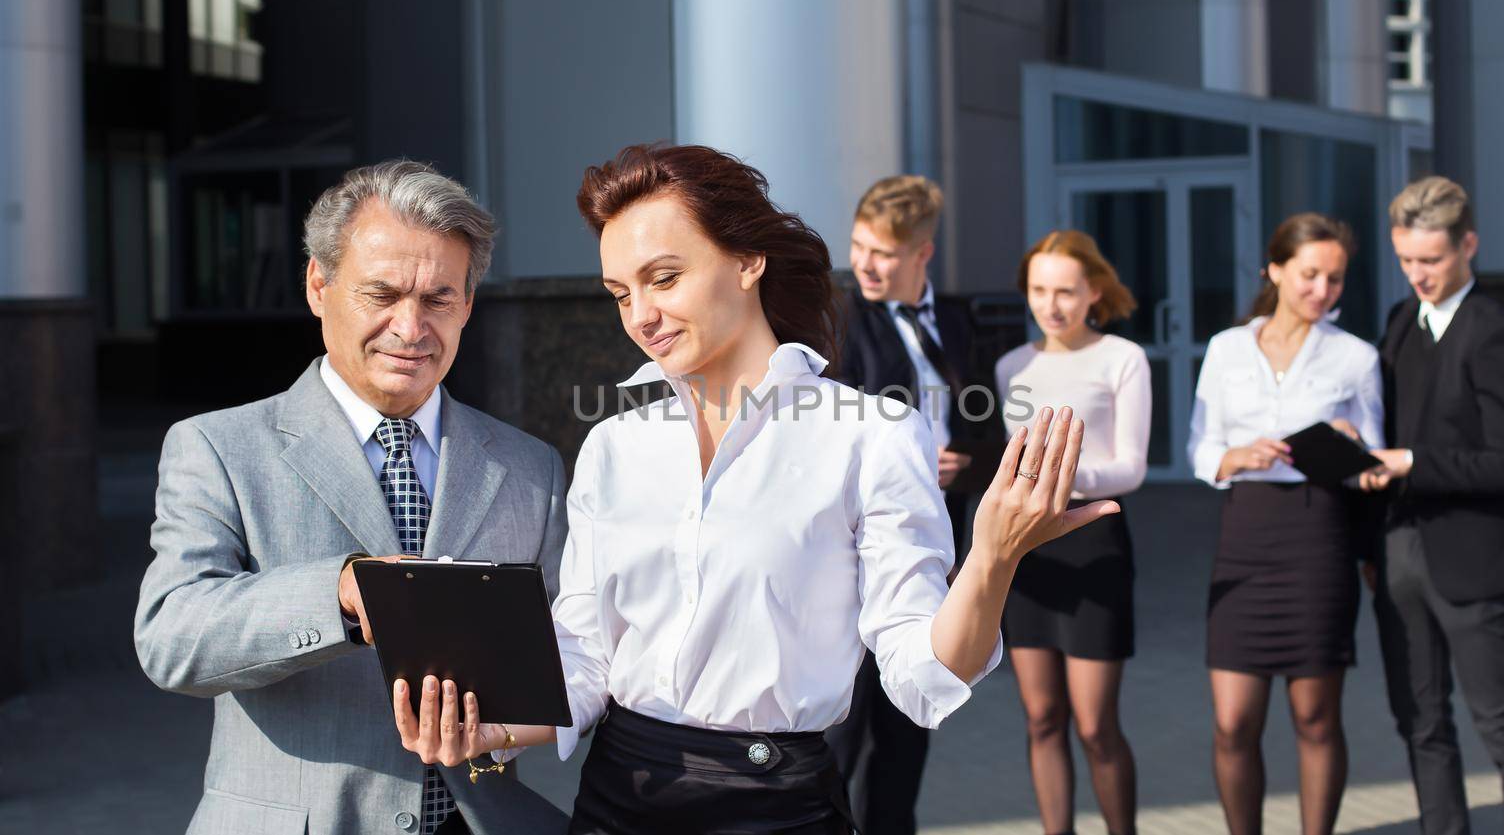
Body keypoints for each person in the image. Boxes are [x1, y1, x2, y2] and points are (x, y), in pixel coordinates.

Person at [389, 143, 1121, 834]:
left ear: (747, 260)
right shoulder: (614, 447)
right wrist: (494, 730)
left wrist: (991, 559)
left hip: (780, 807)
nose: (640, 316)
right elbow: (586, 660)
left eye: (664, 278)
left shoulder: (870, 436)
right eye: (620, 292)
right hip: (615, 802)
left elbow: (922, 675)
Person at [134, 161, 570, 835]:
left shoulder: (529, 468)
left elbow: (572, 659)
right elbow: (171, 636)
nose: (411, 326)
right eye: (383, 293)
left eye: (438, 299)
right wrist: (337, 592)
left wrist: (502, 733)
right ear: (318, 284)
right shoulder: (218, 447)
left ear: (470, 302)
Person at [1360, 177, 1504, 835]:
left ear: (1468, 244)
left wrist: (1414, 462)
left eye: (1432, 260)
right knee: (1420, 721)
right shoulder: (1397, 322)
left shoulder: (1493, 332)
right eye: (1406, 259)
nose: (1418, 274)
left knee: (1503, 724)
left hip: (1470, 557)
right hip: (1397, 553)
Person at [1187, 213, 1384, 835]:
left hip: (1318, 534)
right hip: (1245, 532)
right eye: (1309, 274)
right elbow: (1199, 448)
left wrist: (1354, 446)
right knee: (1231, 723)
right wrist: (1234, 457)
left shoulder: (1356, 358)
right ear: (1275, 270)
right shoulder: (1225, 348)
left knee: (1316, 719)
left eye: (1334, 278)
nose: (1322, 289)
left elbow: (1374, 466)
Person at [826, 174, 995, 834]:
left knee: (910, 725)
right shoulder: (837, 320)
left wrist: (969, 462)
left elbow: (985, 418)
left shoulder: (956, 319)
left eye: (885, 253)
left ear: (923, 253)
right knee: (844, 732)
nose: (866, 263)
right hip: (856, 557)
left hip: (937, 546)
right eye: (859, 246)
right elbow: (824, 435)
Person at [994, 230, 1148, 835]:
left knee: (1095, 725)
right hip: (1028, 550)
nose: (1050, 304)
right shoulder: (1012, 365)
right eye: (1038, 290)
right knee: (1041, 718)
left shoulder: (1122, 358)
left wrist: (1056, 473)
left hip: (1094, 540)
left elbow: (1132, 468)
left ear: (1094, 292)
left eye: (1064, 291)